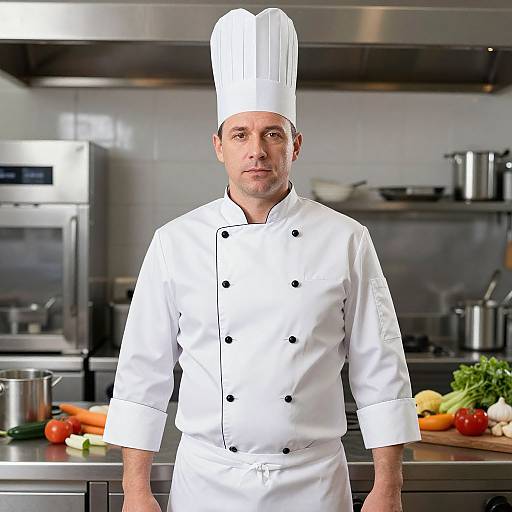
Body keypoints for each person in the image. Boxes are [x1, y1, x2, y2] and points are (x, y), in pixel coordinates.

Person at [103, 7, 421, 512]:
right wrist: (135, 490)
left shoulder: (346, 239)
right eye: (241, 134)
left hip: (313, 481)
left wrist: (389, 486)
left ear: (294, 145)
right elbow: (143, 376)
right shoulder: (174, 242)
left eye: (273, 133)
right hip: (206, 481)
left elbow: (380, 368)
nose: (257, 150)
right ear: (218, 147)